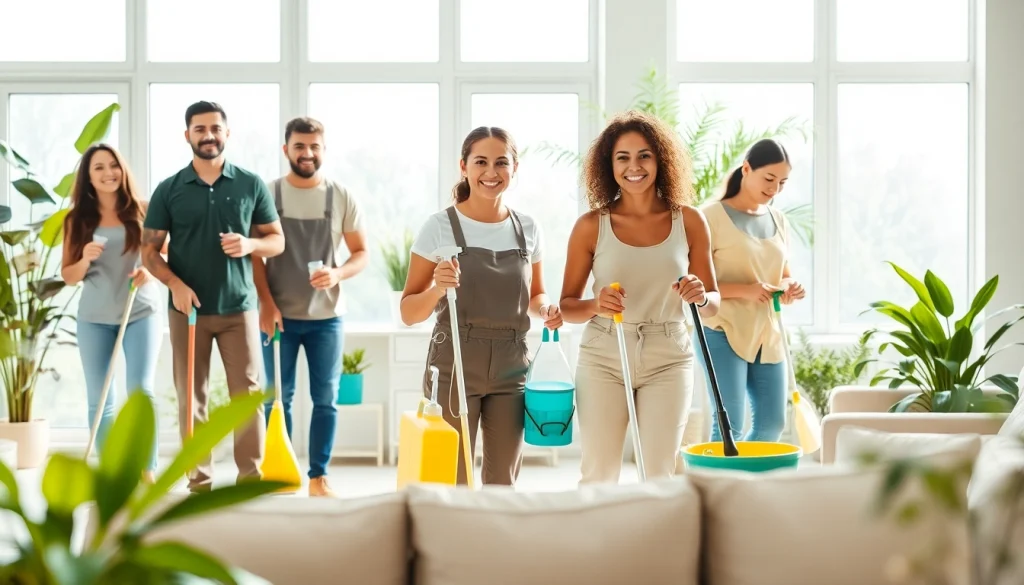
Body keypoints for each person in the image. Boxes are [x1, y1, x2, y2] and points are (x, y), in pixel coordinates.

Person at [560, 110, 720, 484]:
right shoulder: (590, 226)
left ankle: (653, 543)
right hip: (603, 355)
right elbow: (567, 306)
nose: (635, 166)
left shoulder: (690, 220)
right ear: (609, 165)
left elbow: (713, 305)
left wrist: (700, 296)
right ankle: (595, 543)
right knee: (599, 472)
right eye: (623, 157)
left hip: (669, 356)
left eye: (644, 155)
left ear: (660, 159)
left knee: (659, 473)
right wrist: (596, 304)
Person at [400, 126, 563, 487]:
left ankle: (493, 542)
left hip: (512, 363)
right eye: (481, 162)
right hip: (456, 358)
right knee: (454, 474)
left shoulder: (528, 228)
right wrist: (437, 290)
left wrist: (547, 309)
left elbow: (536, 295)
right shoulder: (439, 227)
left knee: (503, 477)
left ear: (514, 168)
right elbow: (409, 312)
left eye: (501, 162)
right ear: (464, 166)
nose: (491, 172)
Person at [141, 100, 285, 493]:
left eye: (215, 128)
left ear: (226, 133)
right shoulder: (169, 189)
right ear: (187, 135)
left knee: (248, 398)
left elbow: (276, 241)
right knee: (192, 399)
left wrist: (249, 242)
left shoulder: (249, 184)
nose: (208, 135)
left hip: (239, 309)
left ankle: (248, 483)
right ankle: (199, 483)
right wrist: (174, 284)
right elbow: (149, 251)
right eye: (200, 128)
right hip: (187, 310)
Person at [252, 117, 369, 497]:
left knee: (326, 400)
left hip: (326, 319)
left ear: (323, 150)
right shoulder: (268, 195)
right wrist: (266, 304)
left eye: (314, 146)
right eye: (299, 146)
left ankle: (319, 477)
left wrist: (337, 275)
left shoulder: (340, 197)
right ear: (285, 149)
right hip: (279, 318)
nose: (307, 153)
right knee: (276, 400)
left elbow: (361, 253)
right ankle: (280, 474)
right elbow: (255, 258)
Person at [61, 143, 164, 484]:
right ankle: (113, 476)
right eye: (99, 168)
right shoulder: (76, 220)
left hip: (140, 312)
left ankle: (147, 470)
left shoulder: (145, 210)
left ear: (123, 169)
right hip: (94, 318)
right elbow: (69, 276)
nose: (108, 173)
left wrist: (150, 271)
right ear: (88, 178)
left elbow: (165, 256)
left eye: (113, 166)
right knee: (100, 397)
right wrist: (85, 258)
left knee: (140, 391)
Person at [696, 138, 804, 444]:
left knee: (772, 424)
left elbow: (782, 274)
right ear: (746, 168)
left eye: (782, 182)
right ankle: (717, 490)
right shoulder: (709, 217)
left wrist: (788, 287)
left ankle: (749, 487)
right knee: (728, 429)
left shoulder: (779, 220)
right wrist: (745, 291)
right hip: (722, 329)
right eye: (769, 178)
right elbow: (696, 285)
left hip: (767, 333)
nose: (775, 189)